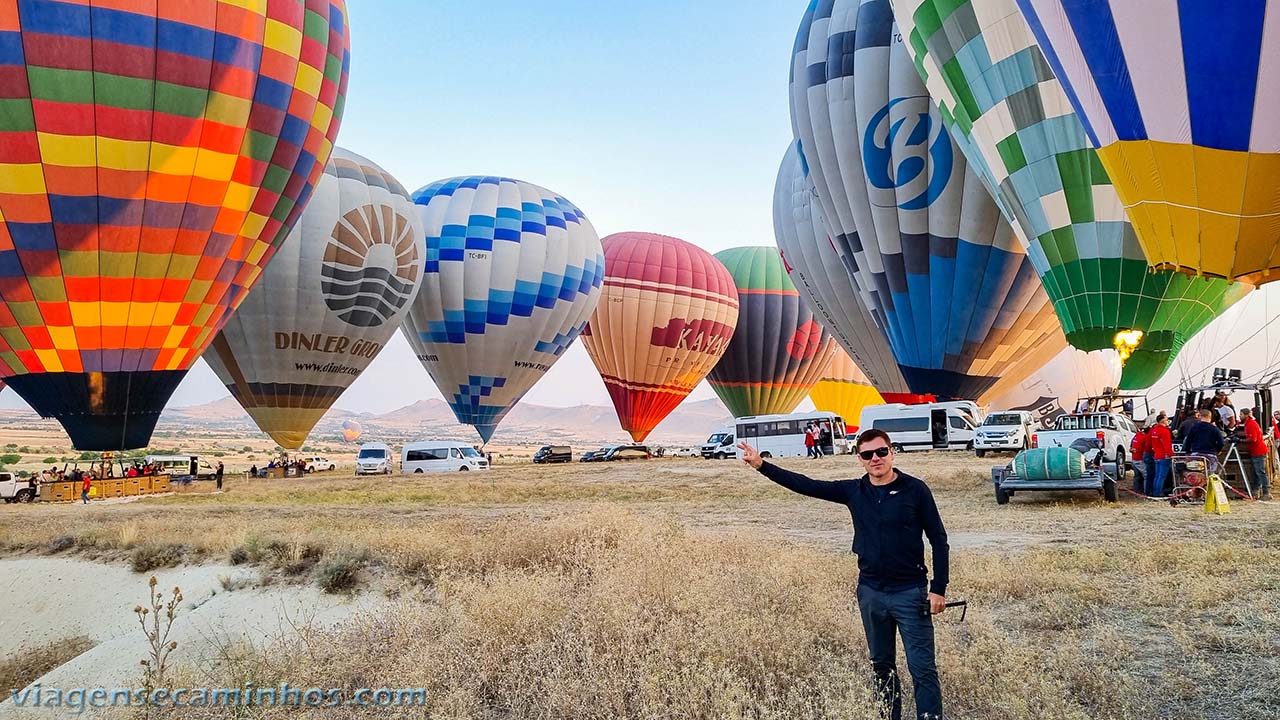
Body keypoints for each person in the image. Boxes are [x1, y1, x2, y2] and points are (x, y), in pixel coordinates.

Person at [738, 430, 948, 720]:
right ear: (860, 459)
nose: (875, 459)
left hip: (910, 592)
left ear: (892, 452)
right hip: (871, 592)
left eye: (881, 452)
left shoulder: (916, 490)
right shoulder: (854, 491)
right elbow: (808, 486)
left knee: (922, 666)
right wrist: (762, 466)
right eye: (867, 455)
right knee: (881, 665)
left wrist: (939, 588)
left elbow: (938, 539)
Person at [1239, 409, 1271, 500]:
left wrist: (1240, 440)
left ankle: (1266, 492)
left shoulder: (1251, 424)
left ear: (1246, 415)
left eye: (1241, 414)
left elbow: (1253, 439)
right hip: (1256, 451)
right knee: (1256, 472)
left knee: (1260, 472)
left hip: (1258, 451)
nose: (1239, 416)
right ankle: (1255, 491)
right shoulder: (1249, 423)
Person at [1149, 412, 1174, 497]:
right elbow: (1167, 445)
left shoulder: (1154, 430)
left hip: (1157, 455)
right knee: (1162, 476)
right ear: (1163, 421)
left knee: (1157, 476)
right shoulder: (1165, 431)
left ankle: (1155, 491)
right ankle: (1158, 493)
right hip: (1164, 456)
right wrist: (1171, 455)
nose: (1168, 421)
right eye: (1167, 420)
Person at [1130, 424, 1150, 492]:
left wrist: (1131, 449)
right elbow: (1148, 448)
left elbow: (1132, 443)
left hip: (1134, 458)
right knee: (1146, 475)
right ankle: (1146, 491)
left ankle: (1137, 490)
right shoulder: (1145, 437)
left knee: (1137, 475)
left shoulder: (1138, 434)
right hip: (1139, 459)